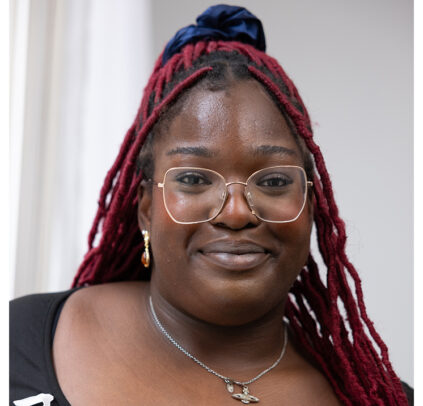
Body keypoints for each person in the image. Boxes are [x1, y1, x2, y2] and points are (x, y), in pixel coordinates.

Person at [10, 5, 412, 405]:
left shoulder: (379, 398)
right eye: (193, 179)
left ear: (310, 207)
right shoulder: (14, 342)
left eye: (273, 182)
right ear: (146, 208)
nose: (236, 213)